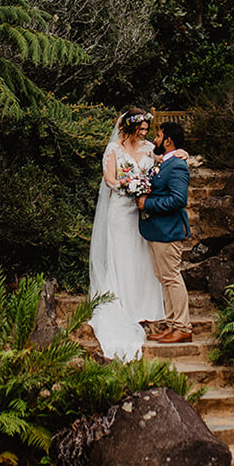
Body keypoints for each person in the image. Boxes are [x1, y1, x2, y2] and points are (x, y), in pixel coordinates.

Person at [87, 109, 166, 360]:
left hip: (141, 210)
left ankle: (144, 304)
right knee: (121, 254)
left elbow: (161, 165)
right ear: (128, 128)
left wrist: (180, 154)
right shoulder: (113, 149)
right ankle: (122, 303)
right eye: (140, 129)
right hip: (120, 210)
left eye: (146, 129)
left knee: (141, 254)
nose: (144, 133)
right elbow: (109, 179)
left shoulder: (149, 148)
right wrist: (129, 184)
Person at [136, 121, 192, 344]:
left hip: (169, 232)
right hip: (157, 232)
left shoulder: (177, 165)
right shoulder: (165, 162)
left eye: (158, 136)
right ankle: (172, 325)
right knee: (164, 278)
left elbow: (179, 199)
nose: (155, 139)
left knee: (172, 278)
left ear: (168, 140)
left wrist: (148, 204)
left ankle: (183, 327)